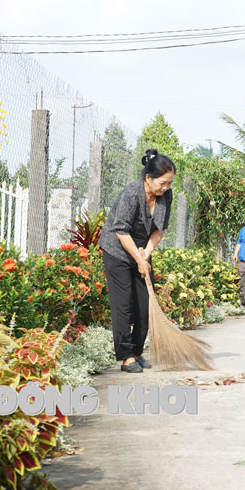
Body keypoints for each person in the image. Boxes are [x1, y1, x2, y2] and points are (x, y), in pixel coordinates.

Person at [99, 149, 175, 373]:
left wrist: (146, 254)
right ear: (148, 178)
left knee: (144, 304)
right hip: (117, 249)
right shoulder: (132, 193)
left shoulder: (165, 196)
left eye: (169, 183)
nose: (166, 188)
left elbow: (160, 230)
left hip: (141, 249)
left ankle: (137, 352)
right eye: (162, 183)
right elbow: (121, 231)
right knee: (122, 305)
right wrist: (137, 258)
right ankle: (125, 357)